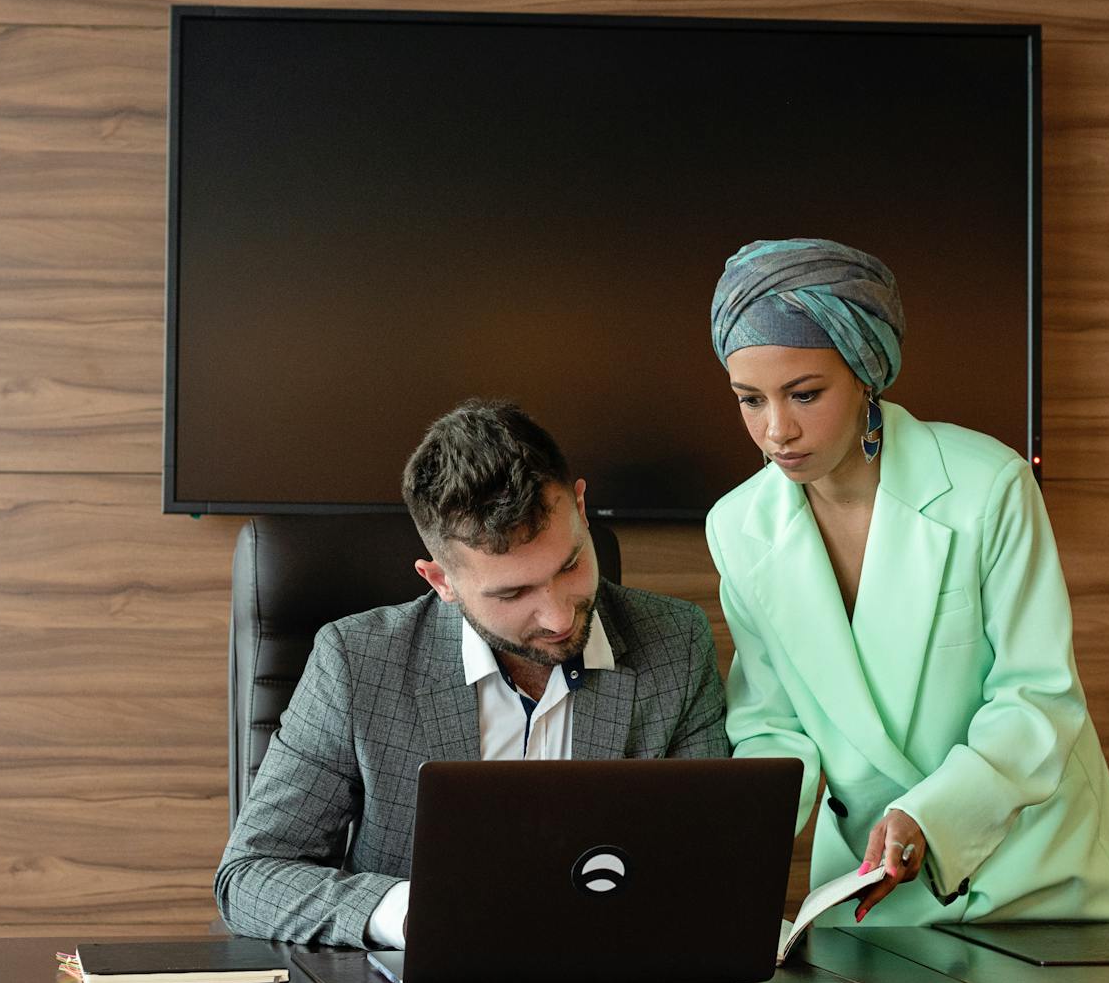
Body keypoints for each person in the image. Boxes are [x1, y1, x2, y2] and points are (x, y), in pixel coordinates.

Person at [704, 237, 1109, 927]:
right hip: (870, 889)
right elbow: (772, 726)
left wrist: (928, 815)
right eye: (749, 400)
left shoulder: (988, 485)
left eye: (805, 394)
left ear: (866, 373)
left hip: (1036, 874)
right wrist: (730, 846)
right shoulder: (736, 526)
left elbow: (1036, 696)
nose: (775, 431)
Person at [216, 399, 730, 946]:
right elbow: (250, 876)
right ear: (442, 581)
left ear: (581, 507)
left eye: (571, 565)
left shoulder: (676, 641)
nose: (558, 617)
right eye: (513, 593)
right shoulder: (356, 661)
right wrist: (409, 914)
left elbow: (710, 860)